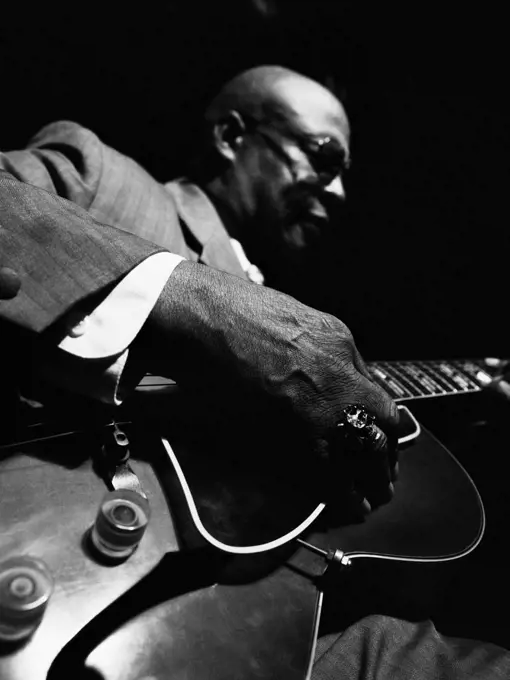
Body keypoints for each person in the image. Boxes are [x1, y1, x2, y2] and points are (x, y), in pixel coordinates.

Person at [0, 66, 508, 678]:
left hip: (256, 623)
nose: (341, 190)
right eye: (323, 157)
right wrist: (181, 299)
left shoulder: (300, 330)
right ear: (232, 135)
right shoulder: (109, 179)